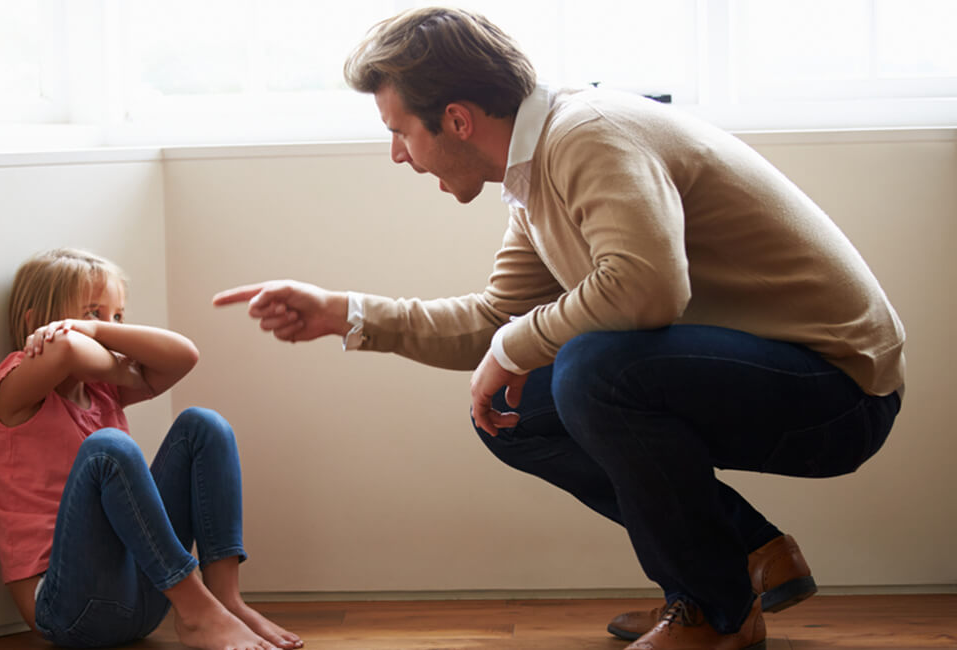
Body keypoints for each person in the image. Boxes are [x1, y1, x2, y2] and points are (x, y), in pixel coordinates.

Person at [212, 7, 905, 650]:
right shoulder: (533, 171)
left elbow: (645, 289)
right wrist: (344, 312)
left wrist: (514, 345)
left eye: (399, 131)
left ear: (456, 119)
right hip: (769, 375)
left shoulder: (588, 134)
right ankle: (737, 564)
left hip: (841, 391)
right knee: (516, 413)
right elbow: (495, 320)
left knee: (592, 370)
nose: (397, 153)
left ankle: (714, 609)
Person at [0, 248, 303, 650]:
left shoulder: (103, 390)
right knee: (109, 449)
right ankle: (199, 610)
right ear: (35, 323)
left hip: (143, 598)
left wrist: (94, 330)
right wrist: (123, 366)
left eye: (117, 317)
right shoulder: (14, 389)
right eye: (92, 313)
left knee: (204, 426)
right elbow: (66, 350)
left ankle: (223, 603)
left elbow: (184, 355)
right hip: (66, 608)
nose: (108, 327)